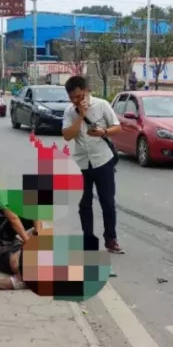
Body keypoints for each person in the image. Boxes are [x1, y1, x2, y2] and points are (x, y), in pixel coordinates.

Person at [61, 75, 123, 254]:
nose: (76, 100)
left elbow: (117, 127)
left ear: (86, 91)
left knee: (108, 202)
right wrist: (80, 116)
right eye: (72, 97)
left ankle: (111, 239)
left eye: (79, 96)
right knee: (84, 204)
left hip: (103, 160)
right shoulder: (69, 112)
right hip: (81, 164)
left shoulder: (102, 105)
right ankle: (88, 240)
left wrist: (104, 131)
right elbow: (67, 135)